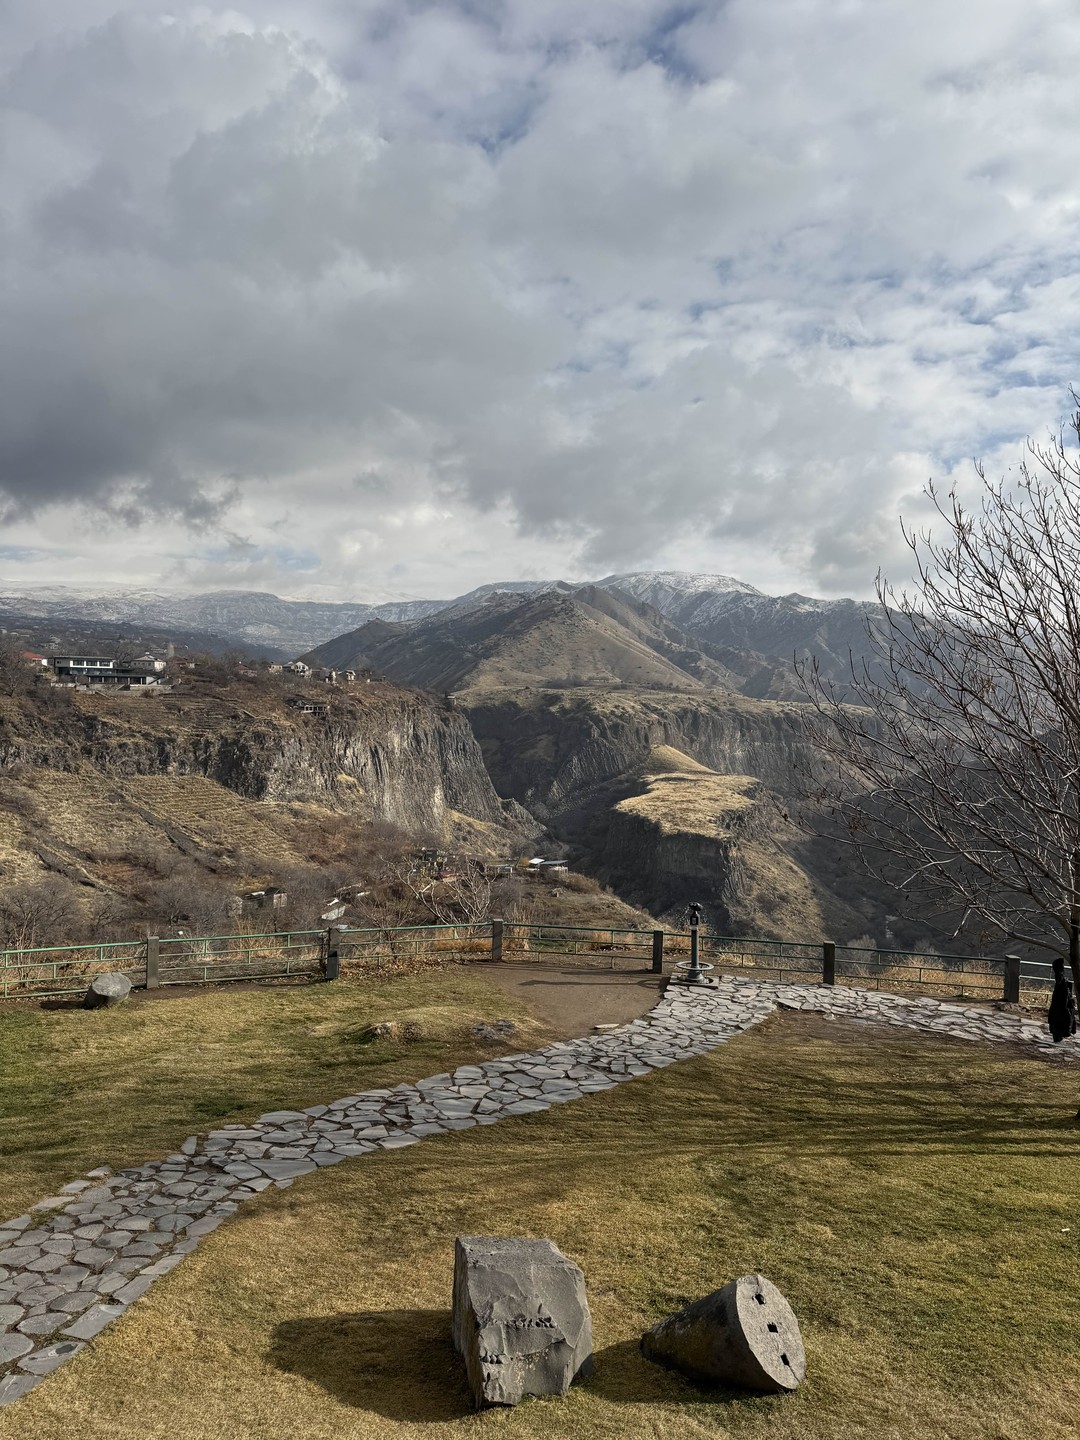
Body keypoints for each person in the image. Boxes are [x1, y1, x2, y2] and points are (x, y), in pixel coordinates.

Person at [1048, 956, 1078, 1043]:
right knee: (1061, 1017)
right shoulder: (1061, 983)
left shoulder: (1060, 983)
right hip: (1061, 1005)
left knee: (1059, 1017)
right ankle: (1060, 1034)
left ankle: (1059, 1034)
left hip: (1059, 1004)